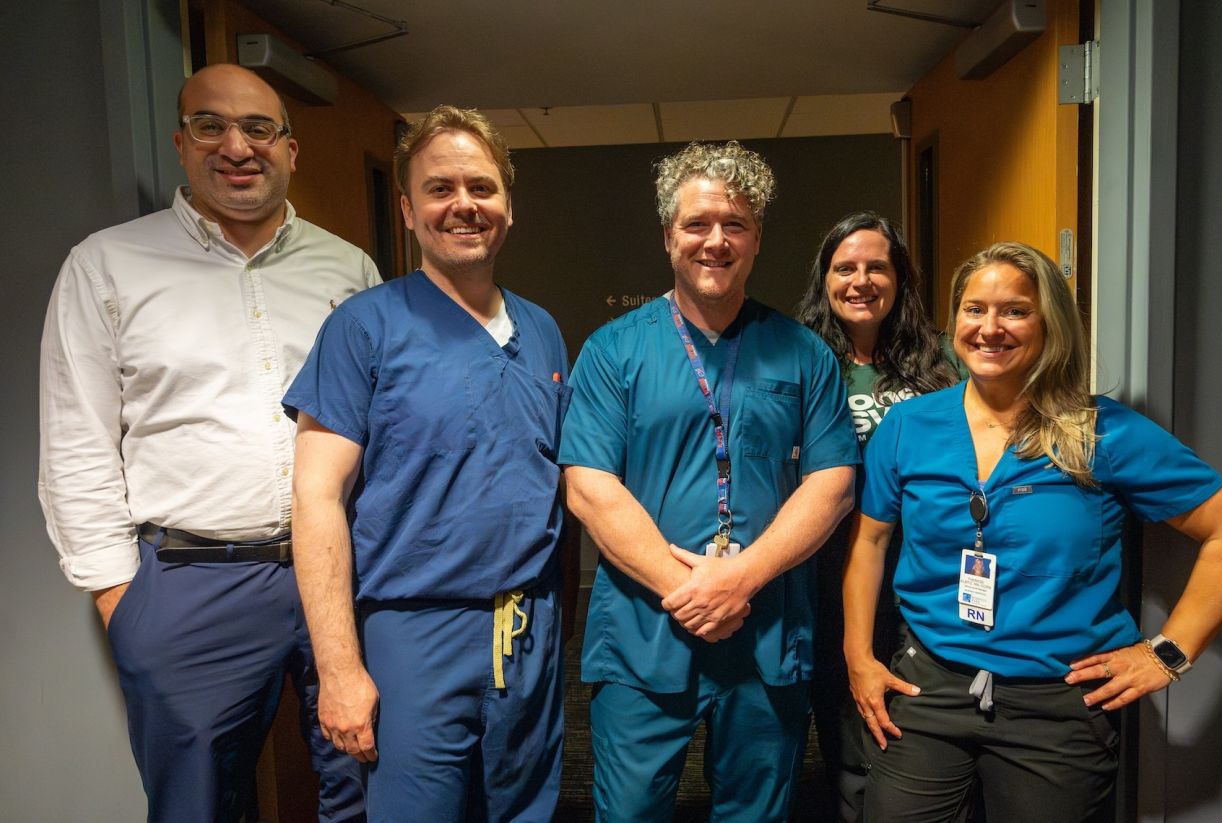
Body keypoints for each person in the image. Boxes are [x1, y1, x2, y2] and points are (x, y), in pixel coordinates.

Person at [37, 64, 376, 822]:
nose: (236, 146)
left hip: (339, 576)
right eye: (210, 125)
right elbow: (74, 442)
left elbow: (379, 430)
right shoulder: (107, 266)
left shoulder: (349, 268)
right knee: (197, 806)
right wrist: (120, 597)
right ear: (180, 144)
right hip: (188, 581)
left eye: (258, 128)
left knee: (364, 786)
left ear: (291, 149)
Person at [845, 241, 1222, 821]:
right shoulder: (909, 425)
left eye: (1015, 311)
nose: (990, 328)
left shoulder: (1102, 433)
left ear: (1050, 323)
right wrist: (859, 657)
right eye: (974, 309)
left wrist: (1167, 654)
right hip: (926, 691)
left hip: (1057, 704)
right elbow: (869, 544)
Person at [284, 105, 570, 822]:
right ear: (408, 210)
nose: (464, 205)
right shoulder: (363, 327)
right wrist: (340, 669)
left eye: (482, 187)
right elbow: (315, 495)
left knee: (526, 809)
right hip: (413, 632)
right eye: (440, 189)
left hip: (528, 628)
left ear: (508, 204)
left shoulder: (542, 331)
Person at [559, 141, 858, 822]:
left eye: (735, 224)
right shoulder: (614, 349)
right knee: (629, 810)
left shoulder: (803, 352)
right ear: (669, 236)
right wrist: (692, 591)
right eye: (696, 224)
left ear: (756, 240)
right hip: (645, 632)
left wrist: (741, 578)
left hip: (765, 631)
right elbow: (588, 487)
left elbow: (833, 483)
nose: (714, 241)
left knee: (756, 813)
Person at [793, 211, 960, 822]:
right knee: (850, 729)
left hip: (929, 576)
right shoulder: (802, 357)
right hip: (834, 575)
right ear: (826, 279)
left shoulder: (944, 359)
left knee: (925, 728)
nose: (861, 281)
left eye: (876, 267)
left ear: (899, 279)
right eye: (845, 268)